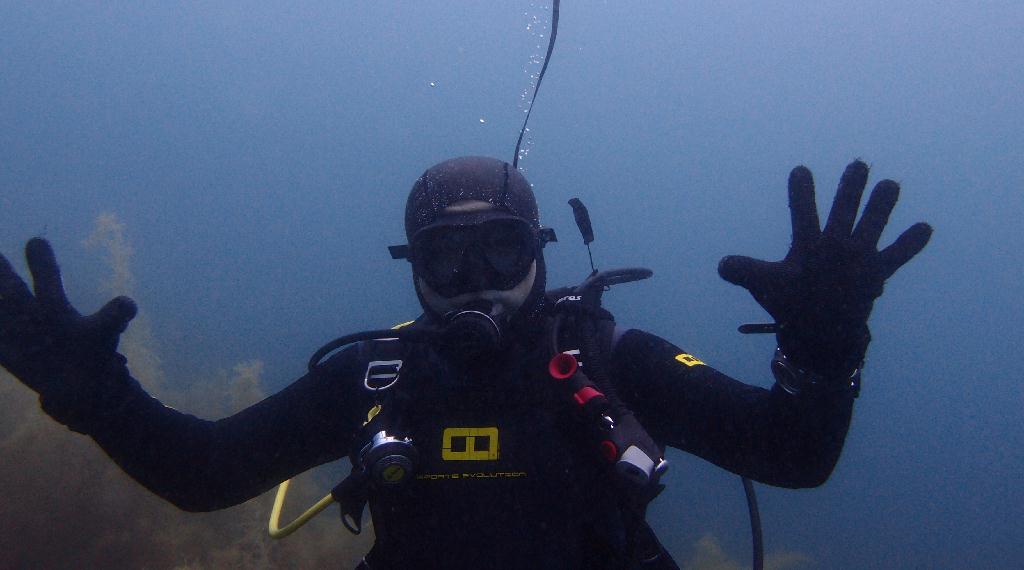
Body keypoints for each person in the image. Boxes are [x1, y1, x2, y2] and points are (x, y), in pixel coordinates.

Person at [0, 155, 931, 569]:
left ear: (542, 253)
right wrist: (100, 399)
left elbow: (794, 456)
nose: (477, 283)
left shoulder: (614, 361)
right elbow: (203, 476)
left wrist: (824, 346)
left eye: (502, 252)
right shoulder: (369, 380)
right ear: (413, 270)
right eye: (446, 260)